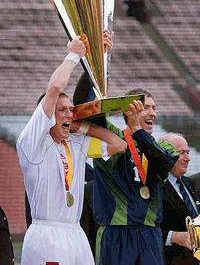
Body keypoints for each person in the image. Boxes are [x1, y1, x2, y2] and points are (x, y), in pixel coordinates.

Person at [16, 34, 127, 265]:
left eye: (71, 110)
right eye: (62, 110)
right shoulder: (31, 142)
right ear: (45, 117)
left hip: (76, 235)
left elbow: (119, 144)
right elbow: (55, 86)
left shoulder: (75, 143)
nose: (69, 113)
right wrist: (74, 54)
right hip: (46, 236)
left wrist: (80, 124)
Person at [75, 79, 179, 264]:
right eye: (145, 107)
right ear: (128, 110)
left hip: (150, 234)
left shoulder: (164, 147)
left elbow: (164, 165)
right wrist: (90, 64)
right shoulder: (111, 138)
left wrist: (138, 129)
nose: (152, 113)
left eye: (154, 108)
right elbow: (83, 105)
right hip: (116, 232)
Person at [159, 133, 200, 265]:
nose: (188, 158)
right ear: (164, 155)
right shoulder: (154, 187)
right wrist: (173, 237)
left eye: (188, 152)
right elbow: (142, 230)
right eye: (182, 153)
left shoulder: (188, 182)